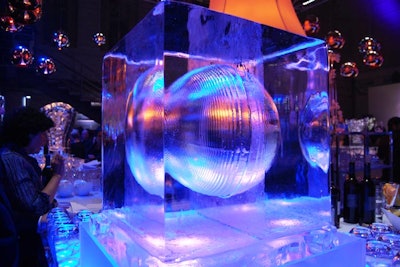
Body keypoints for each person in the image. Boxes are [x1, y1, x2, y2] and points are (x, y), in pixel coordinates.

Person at [0, 106, 65, 267]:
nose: (45, 139)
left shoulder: (19, 157)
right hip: (21, 246)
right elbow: (37, 206)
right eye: (42, 133)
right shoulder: (12, 159)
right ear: (28, 133)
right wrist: (57, 175)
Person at [378, 116, 400, 183]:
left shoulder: (385, 138)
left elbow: (380, 156)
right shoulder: (389, 138)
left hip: (388, 173)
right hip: (394, 173)